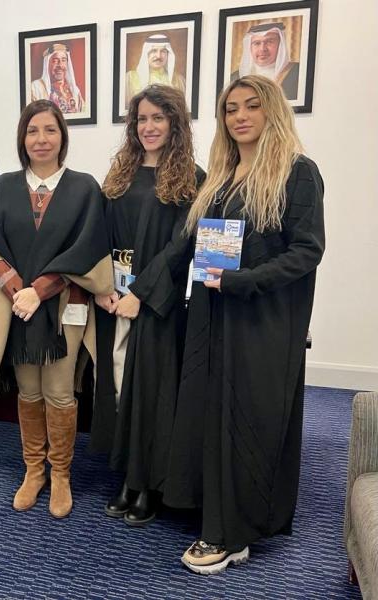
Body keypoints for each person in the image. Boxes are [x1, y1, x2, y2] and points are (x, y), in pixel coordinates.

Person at [164, 75, 325, 574]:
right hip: (213, 314)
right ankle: (213, 509)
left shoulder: (297, 172)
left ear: (272, 110)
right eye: (230, 108)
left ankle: (234, 533)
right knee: (212, 413)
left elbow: (307, 251)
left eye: (252, 106)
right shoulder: (222, 176)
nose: (240, 116)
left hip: (261, 319)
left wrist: (244, 281)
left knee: (249, 420)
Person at [0, 100, 114, 518]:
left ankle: (61, 474)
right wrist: (18, 290)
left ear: (62, 137)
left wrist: (41, 290)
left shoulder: (84, 188)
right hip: (17, 308)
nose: (41, 139)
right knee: (28, 391)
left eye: (50, 130)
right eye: (33, 131)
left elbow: (89, 249)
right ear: (22, 139)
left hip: (64, 308)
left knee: (60, 392)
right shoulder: (4, 187)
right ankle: (34, 471)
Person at [89, 85, 204, 526]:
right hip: (115, 297)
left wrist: (141, 293)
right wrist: (104, 286)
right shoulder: (122, 172)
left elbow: (181, 246)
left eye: (159, 118)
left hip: (157, 302)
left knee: (153, 392)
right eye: (141, 118)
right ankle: (126, 475)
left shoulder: (192, 178)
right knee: (119, 386)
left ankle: (148, 484)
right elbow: (100, 231)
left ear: (175, 123)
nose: (149, 126)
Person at [230, 22, 300, 100]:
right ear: (250, 47)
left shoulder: (298, 72)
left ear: (280, 45)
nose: (262, 49)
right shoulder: (235, 78)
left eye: (269, 42)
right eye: (257, 43)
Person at [125, 34, 186, 106]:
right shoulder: (130, 78)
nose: (158, 56)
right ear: (146, 54)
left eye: (163, 51)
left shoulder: (179, 80)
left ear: (168, 54)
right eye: (154, 51)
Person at [30, 43, 86, 114]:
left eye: (63, 60)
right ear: (47, 65)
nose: (60, 65)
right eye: (55, 61)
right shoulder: (35, 88)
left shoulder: (74, 90)